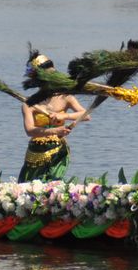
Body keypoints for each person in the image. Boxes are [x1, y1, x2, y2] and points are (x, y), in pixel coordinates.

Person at [18, 52, 88, 182]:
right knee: (28, 184)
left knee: (53, 183)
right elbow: (29, 130)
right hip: (36, 151)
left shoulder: (65, 97)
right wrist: (55, 130)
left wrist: (64, 115)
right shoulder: (29, 104)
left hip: (58, 150)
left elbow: (85, 115)